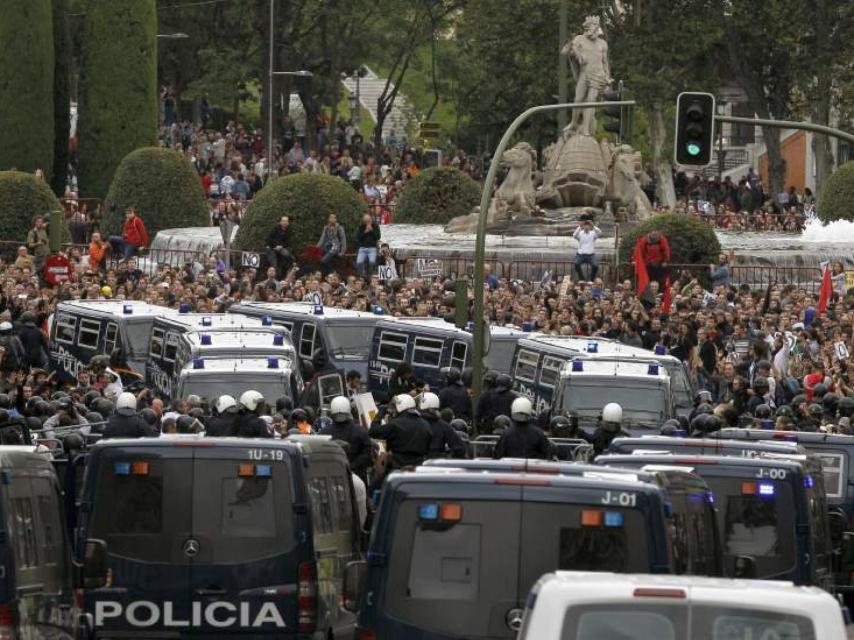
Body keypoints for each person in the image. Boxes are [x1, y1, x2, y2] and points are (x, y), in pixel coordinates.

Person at [369, 394, 431, 470]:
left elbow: (373, 431)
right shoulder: (425, 424)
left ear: (401, 406)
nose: (394, 410)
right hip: (419, 466)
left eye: (395, 407)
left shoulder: (395, 424)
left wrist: (380, 413)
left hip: (397, 466)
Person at [321, 396, 372, 478]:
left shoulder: (324, 433)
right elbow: (368, 454)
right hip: (356, 475)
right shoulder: (360, 431)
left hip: (333, 477)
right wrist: (352, 467)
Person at [418, 392, 466, 459]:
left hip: (414, 462)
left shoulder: (413, 424)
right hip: (437, 461)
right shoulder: (443, 425)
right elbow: (459, 448)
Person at [572, 217, 602, 282]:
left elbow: (600, 233)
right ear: (583, 226)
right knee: (576, 264)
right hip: (581, 254)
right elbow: (574, 235)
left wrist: (593, 226)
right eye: (585, 225)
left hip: (591, 255)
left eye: (588, 226)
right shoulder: (580, 233)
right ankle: (581, 278)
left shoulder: (593, 233)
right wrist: (580, 226)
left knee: (595, 266)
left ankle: (591, 279)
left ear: (590, 227)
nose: (586, 227)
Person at [355, 213, 381, 278]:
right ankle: (362, 277)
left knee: (372, 262)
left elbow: (378, 237)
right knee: (359, 262)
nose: (368, 223)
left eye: (369, 221)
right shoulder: (361, 227)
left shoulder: (375, 226)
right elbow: (358, 238)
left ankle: (370, 276)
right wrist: (365, 232)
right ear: (364, 222)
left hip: (372, 248)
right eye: (366, 222)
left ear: (371, 220)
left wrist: (372, 230)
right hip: (362, 248)